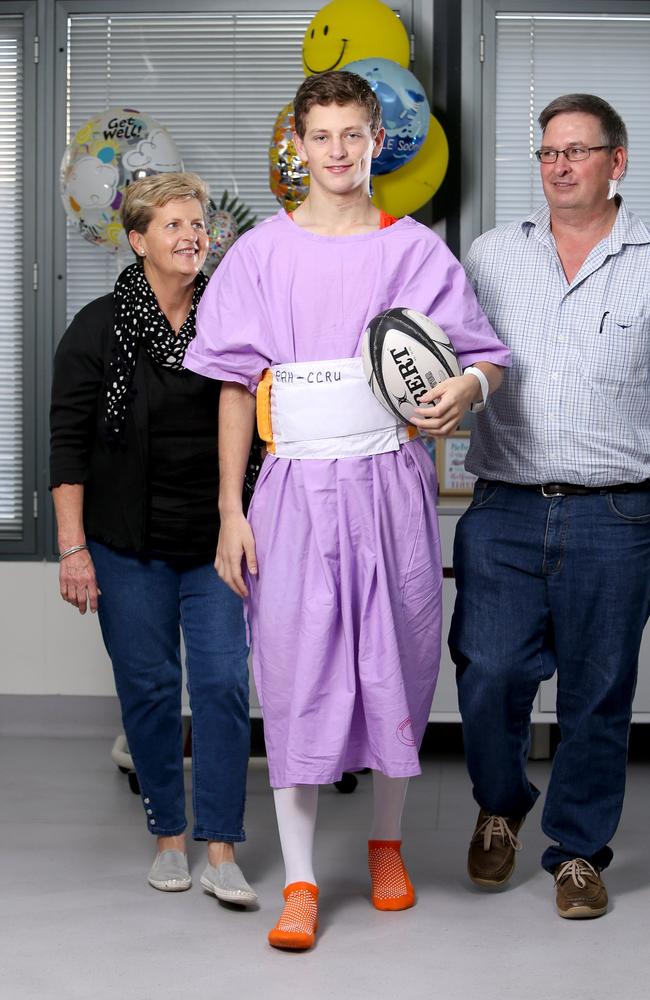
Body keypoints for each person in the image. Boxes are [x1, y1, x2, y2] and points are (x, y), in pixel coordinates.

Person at [184, 71, 510, 949]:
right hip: (290, 492)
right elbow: (228, 390)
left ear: (376, 141)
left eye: (350, 136)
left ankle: (385, 846)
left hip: (389, 487)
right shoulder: (259, 258)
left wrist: (468, 389)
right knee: (292, 674)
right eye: (319, 136)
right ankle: (298, 880)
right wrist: (229, 508)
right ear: (297, 143)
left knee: (397, 664)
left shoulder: (415, 252)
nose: (335, 152)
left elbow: (481, 360)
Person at [449, 94, 650, 919]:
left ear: (617, 161)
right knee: (488, 674)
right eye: (547, 152)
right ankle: (501, 806)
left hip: (618, 514)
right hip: (504, 507)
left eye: (577, 150)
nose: (559, 165)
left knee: (598, 696)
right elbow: (453, 356)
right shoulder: (492, 254)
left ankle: (577, 852)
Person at [50, 172, 256, 905]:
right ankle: (169, 835)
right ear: (139, 241)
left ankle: (222, 846)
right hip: (123, 544)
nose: (193, 235)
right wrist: (73, 550)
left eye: (198, 223)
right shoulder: (97, 327)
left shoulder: (230, 318)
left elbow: (259, 428)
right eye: (173, 225)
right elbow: (69, 447)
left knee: (225, 685)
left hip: (213, 543)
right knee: (149, 687)